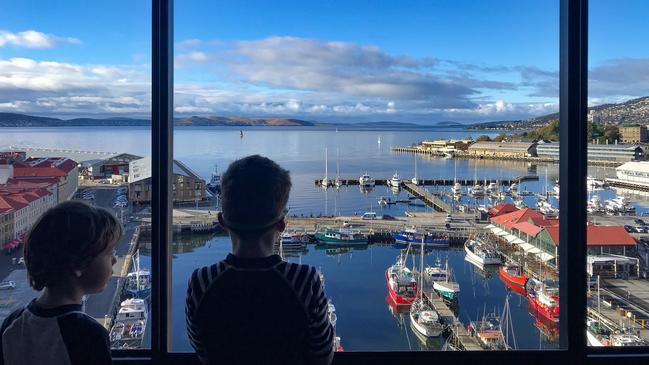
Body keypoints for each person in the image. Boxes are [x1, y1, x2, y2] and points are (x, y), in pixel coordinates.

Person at [186, 155, 334, 365]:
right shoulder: (305, 281)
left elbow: (204, 354)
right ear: (282, 224)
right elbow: (323, 358)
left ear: (222, 222)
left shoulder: (201, 283)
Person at [0, 201, 122, 365]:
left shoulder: (13, 323)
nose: (115, 260)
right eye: (109, 253)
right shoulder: (88, 334)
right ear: (78, 264)